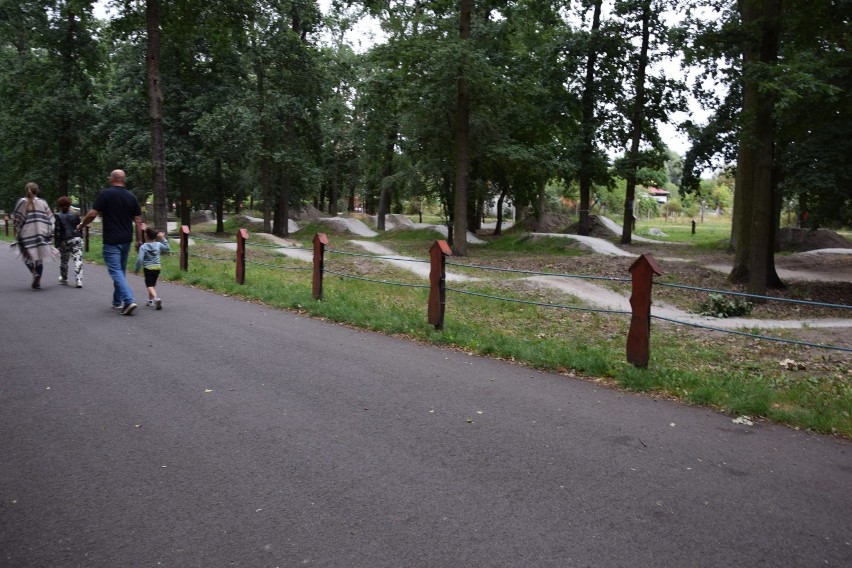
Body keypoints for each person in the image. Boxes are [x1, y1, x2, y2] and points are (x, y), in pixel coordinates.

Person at [77, 169, 143, 315]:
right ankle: (117, 302)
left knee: (115, 271)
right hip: (126, 239)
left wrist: (81, 225)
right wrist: (139, 240)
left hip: (111, 240)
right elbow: (138, 221)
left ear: (112, 179)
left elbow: (93, 213)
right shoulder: (131, 197)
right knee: (121, 271)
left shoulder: (106, 194)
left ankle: (129, 300)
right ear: (123, 180)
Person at [11, 182, 54, 289]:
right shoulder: (43, 203)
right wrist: (49, 233)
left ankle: (34, 273)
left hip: (26, 234)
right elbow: (50, 219)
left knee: (27, 255)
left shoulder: (21, 202)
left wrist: (16, 232)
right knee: (39, 256)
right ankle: (38, 278)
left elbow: (17, 219)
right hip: (41, 233)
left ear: (26, 190)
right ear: (37, 191)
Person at [134, 227, 170, 310]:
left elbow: (140, 259)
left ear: (146, 236)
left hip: (148, 268)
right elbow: (167, 248)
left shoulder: (143, 247)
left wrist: (136, 269)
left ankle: (156, 298)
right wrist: (163, 238)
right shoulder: (158, 244)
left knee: (149, 285)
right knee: (152, 285)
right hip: (157, 268)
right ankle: (150, 301)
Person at [54, 196, 84, 288]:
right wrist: (81, 236)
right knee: (78, 259)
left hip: (65, 240)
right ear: (69, 204)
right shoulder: (76, 215)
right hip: (77, 238)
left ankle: (64, 277)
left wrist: (57, 243)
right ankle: (79, 280)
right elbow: (79, 227)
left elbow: (58, 231)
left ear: (59, 205)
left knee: (64, 260)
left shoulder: (58, 216)